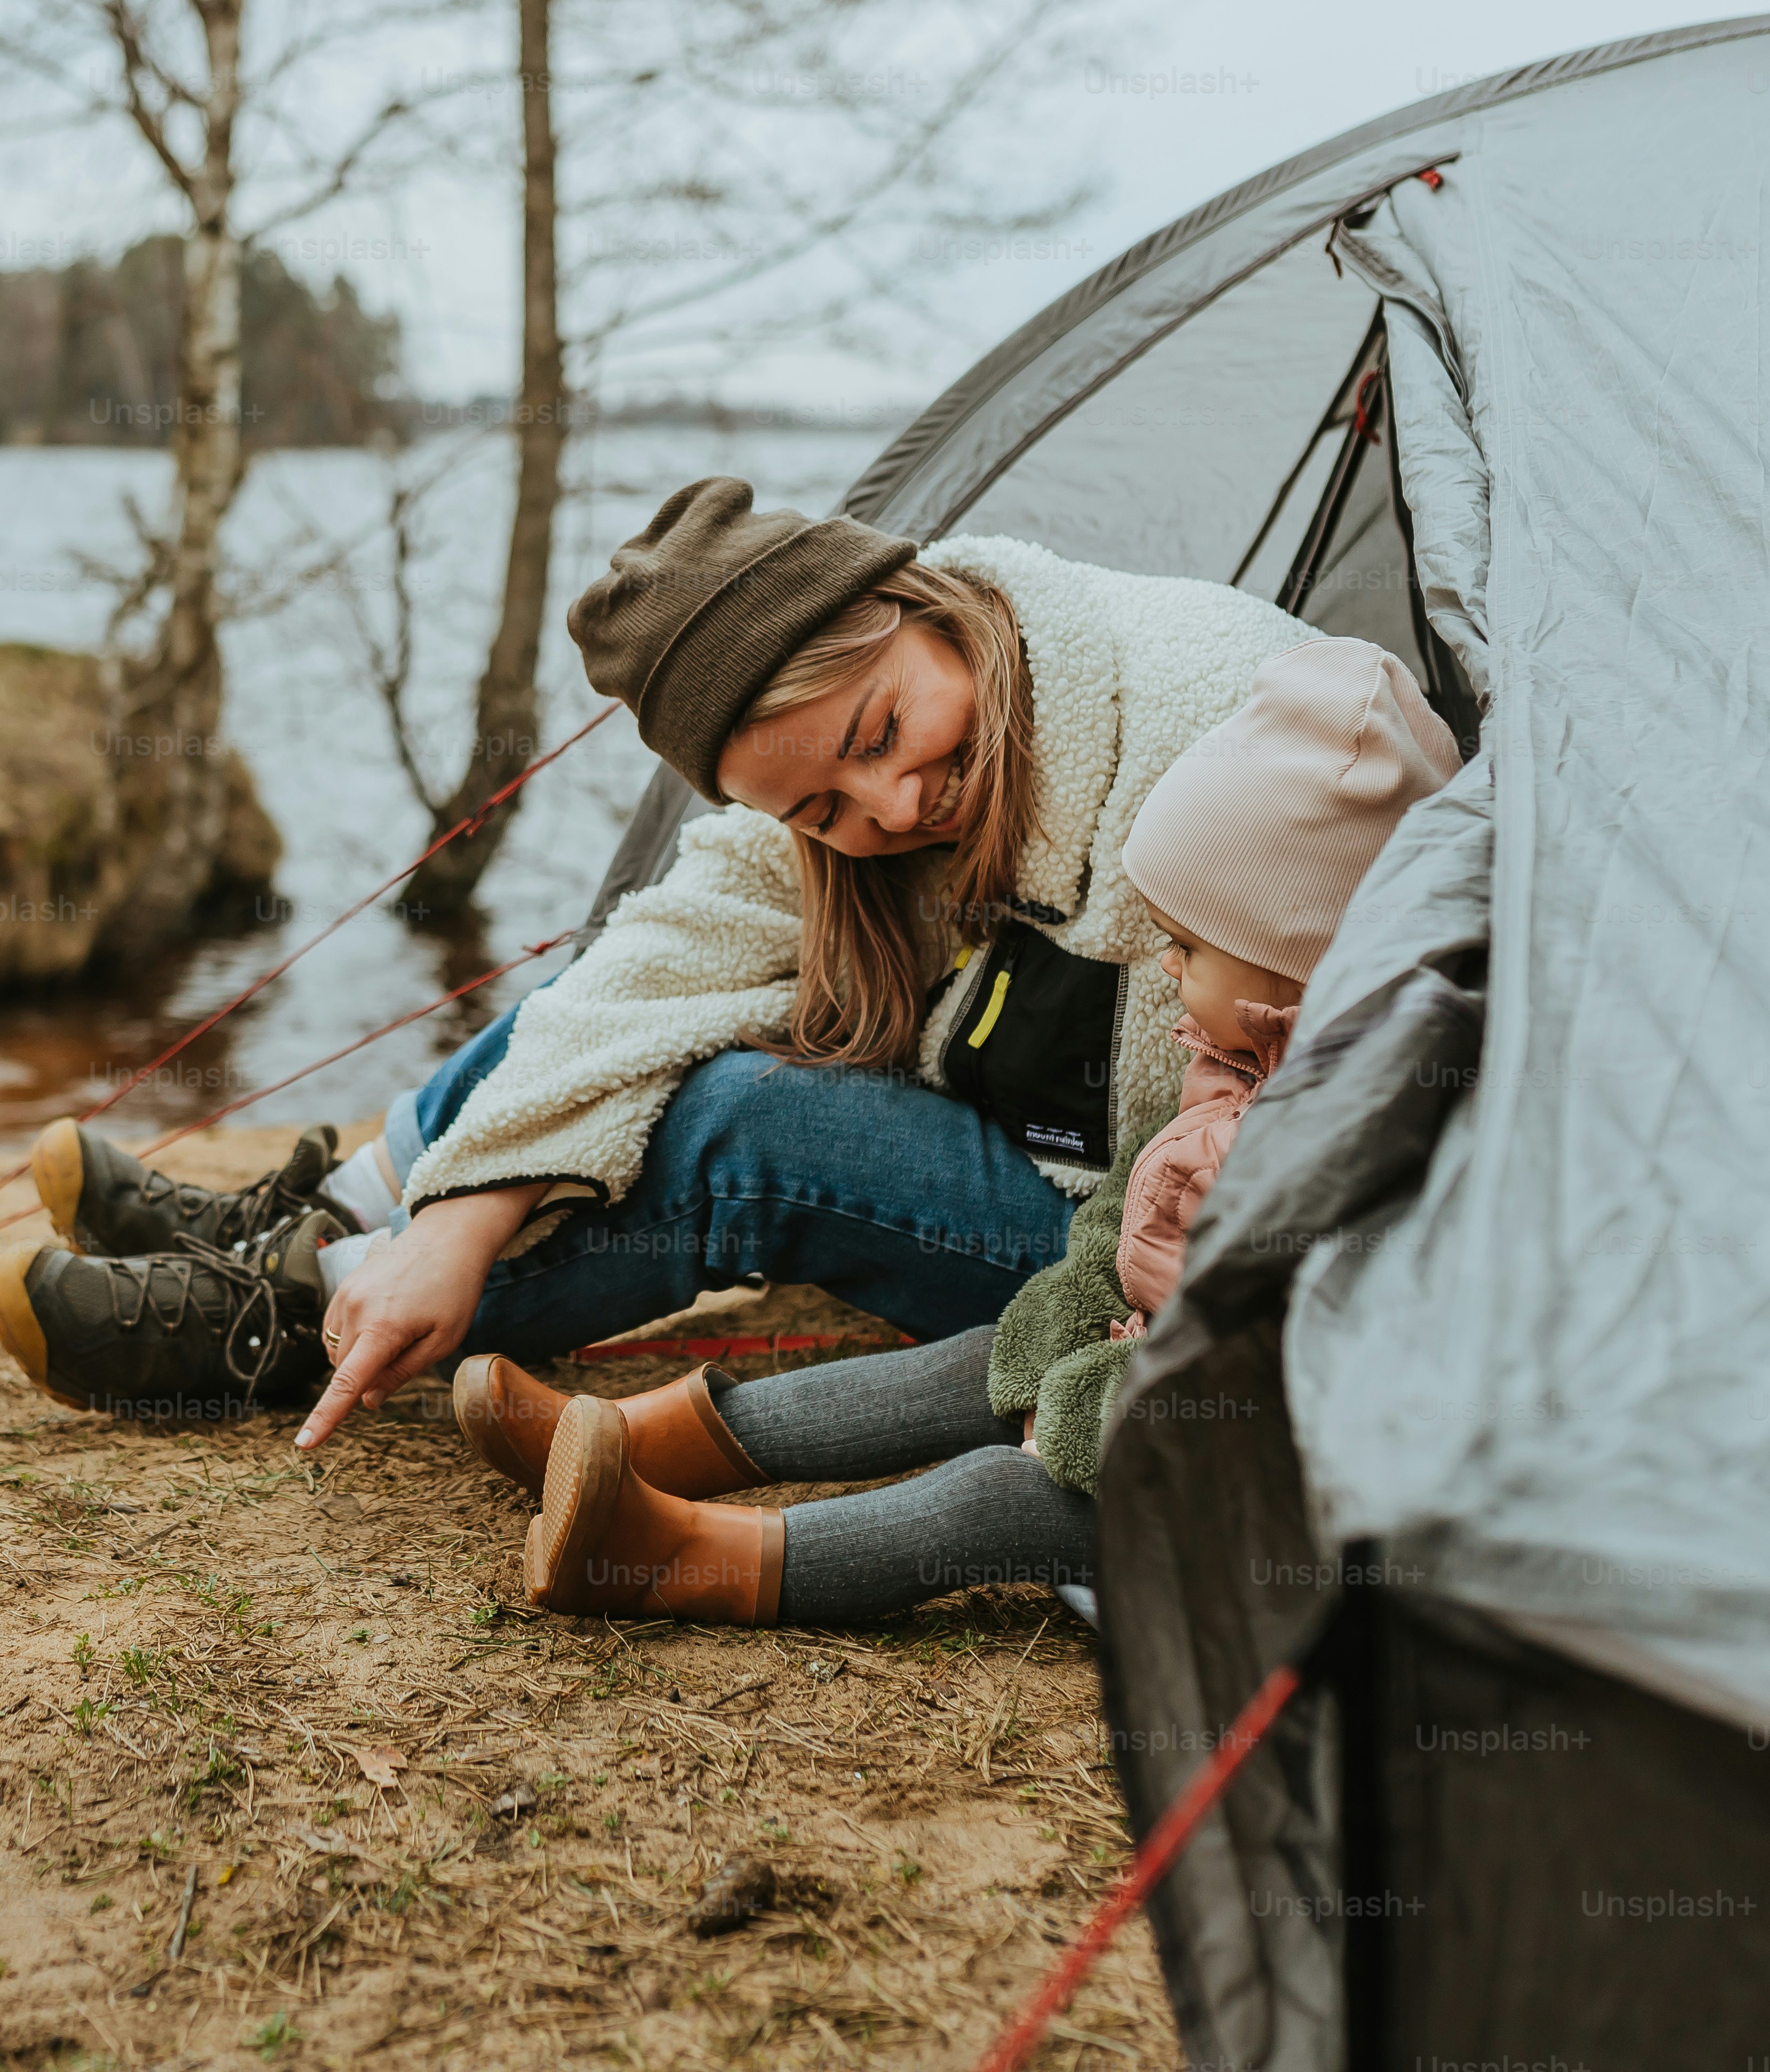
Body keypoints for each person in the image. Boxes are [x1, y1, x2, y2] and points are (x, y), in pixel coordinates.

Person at [0, 474, 1311, 1465]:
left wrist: (472, 1236)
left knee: (736, 1125)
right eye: (824, 811)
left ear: (913, 607)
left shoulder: (1203, 733)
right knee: (634, 980)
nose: (892, 810)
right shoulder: (946, 719)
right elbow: (666, 962)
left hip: (1159, 1253)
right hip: (1071, 1167)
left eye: (884, 731)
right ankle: (333, 1208)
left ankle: (288, 1313)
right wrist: (463, 1212)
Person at [489, 635, 1460, 1622]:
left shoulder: (1377, 1144)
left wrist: (1087, 1409)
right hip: (1155, 1388)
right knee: (984, 1359)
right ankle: (634, 1439)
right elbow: (1132, 1196)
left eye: (1186, 946)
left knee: (1000, 1497)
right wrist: (1078, 1304)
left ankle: (677, 1561)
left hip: (1272, 1498)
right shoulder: (1241, 1061)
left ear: (1300, 962)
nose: (1164, 968)